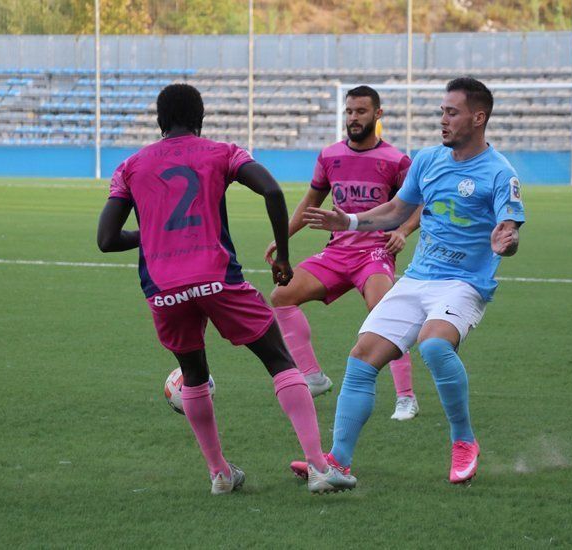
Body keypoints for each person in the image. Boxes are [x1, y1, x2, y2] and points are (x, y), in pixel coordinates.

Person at [96, 83, 355, 495]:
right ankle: (320, 467)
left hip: (162, 287)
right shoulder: (222, 152)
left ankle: (219, 474)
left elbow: (106, 239)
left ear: (160, 122)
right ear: (200, 119)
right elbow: (271, 189)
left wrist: (152, 236)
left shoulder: (130, 166)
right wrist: (284, 256)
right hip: (217, 276)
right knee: (278, 359)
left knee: (194, 376)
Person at [291, 77, 525, 485]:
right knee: (361, 356)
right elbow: (397, 210)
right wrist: (346, 221)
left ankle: (464, 441)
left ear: (478, 117)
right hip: (417, 279)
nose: (444, 120)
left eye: (452, 112)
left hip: (464, 283)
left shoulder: (501, 173)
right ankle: (339, 464)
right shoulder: (428, 159)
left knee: (434, 345)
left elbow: (509, 230)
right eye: (442, 112)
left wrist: (506, 241)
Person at [264, 85, 423, 421]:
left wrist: (402, 230)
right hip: (337, 253)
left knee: (386, 312)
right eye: (349, 111)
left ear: (377, 115)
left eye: (361, 111)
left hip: (374, 253)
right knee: (281, 296)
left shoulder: (396, 160)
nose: (353, 117)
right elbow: (311, 202)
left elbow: (420, 204)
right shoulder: (329, 156)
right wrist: (284, 239)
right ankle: (313, 376)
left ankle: (406, 397)